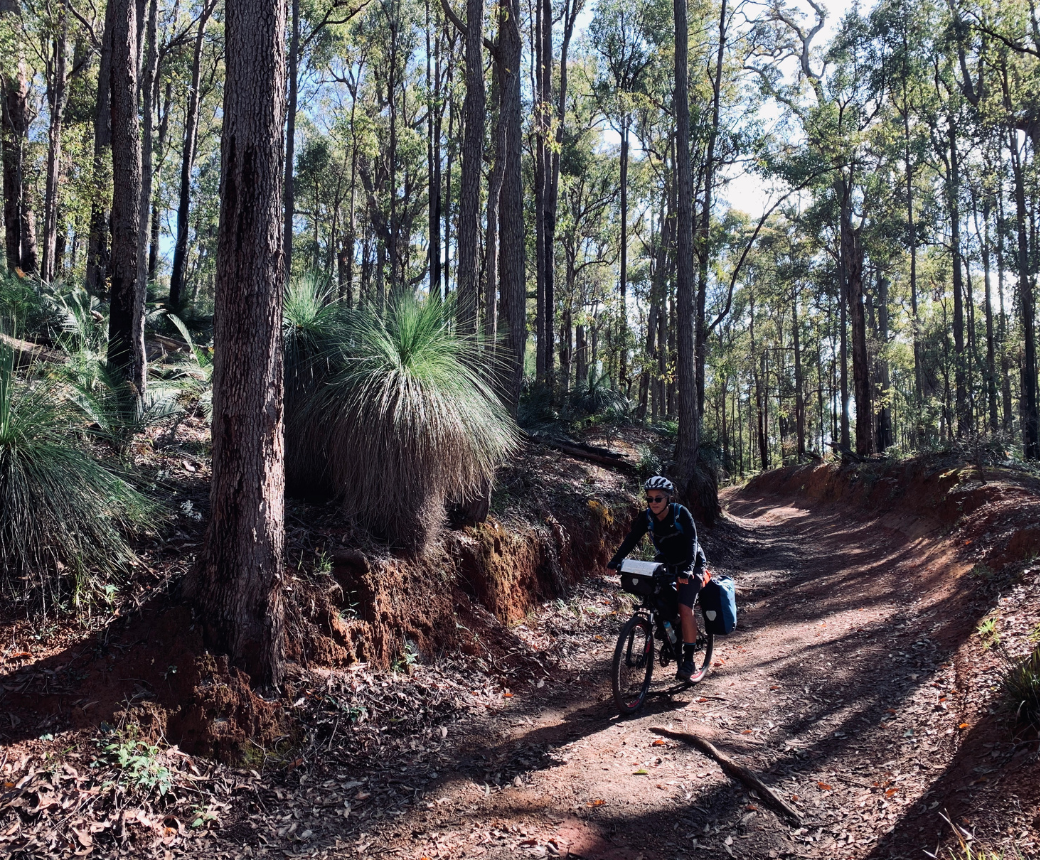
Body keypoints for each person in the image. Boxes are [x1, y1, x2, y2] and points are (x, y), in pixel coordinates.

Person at [607, 475, 707, 681]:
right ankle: (669, 627)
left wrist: (688, 569)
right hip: (667, 563)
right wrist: (616, 560)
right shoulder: (648, 517)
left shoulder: (680, 514)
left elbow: (692, 542)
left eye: (658, 498)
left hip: (692, 564)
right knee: (655, 595)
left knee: (684, 608)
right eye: (650, 499)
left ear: (668, 498)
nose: (653, 503)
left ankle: (689, 661)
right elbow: (632, 538)